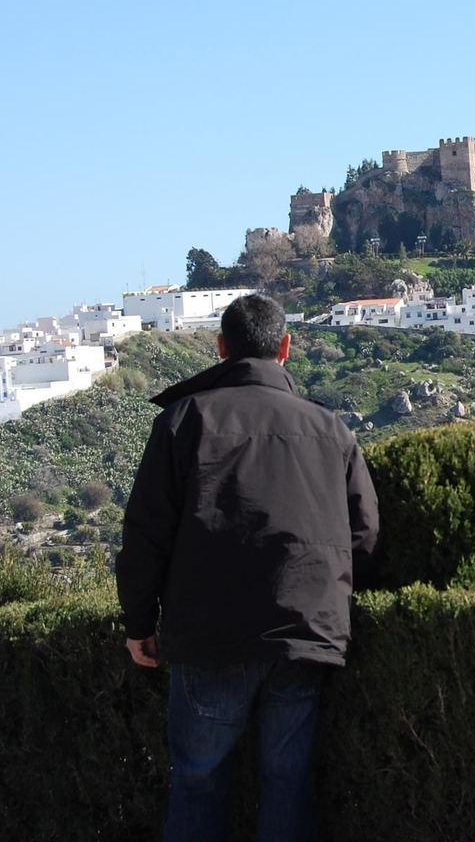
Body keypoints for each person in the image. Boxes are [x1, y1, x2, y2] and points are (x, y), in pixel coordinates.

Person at [118, 293, 380, 841]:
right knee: (287, 781)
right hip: (303, 637)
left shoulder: (183, 420)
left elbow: (147, 533)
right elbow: (364, 534)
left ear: (220, 348)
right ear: (285, 348)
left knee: (198, 779)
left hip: (208, 637)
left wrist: (139, 624)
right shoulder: (333, 430)